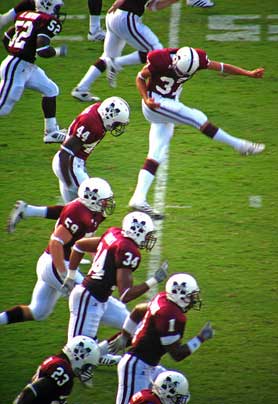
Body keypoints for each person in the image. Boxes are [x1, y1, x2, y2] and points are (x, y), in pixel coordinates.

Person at [128, 46, 266, 218]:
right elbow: (140, 77)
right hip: (155, 103)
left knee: (156, 153)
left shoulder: (197, 60)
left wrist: (248, 73)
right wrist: (146, 99)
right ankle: (239, 145)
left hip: (169, 101)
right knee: (197, 118)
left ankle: (138, 198)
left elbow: (221, 67)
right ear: (175, 60)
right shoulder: (161, 59)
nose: (179, 74)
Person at [0, 177, 115, 327]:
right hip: (56, 263)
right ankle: (92, 341)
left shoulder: (92, 212)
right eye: (104, 200)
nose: (107, 203)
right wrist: (63, 273)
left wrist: (98, 259)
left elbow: (86, 239)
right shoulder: (79, 212)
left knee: (38, 312)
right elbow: (56, 241)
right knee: (91, 300)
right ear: (92, 199)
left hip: (51, 263)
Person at [66, 211, 168, 342]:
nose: (148, 239)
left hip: (101, 298)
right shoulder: (128, 250)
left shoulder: (114, 233)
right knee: (79, 351)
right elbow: (125, 295)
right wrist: (155, 280)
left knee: (135, 327)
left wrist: (71, 276)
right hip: (88, 298)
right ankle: (110, 356)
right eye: (147, 235)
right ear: (137, 232)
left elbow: (80, 245)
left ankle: (116, 351)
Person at [111, 273, 214, 403]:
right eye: (191, 296)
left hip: (148, 365)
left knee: (175, 391)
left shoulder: (162, 298)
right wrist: (200, 338)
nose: (193, 300)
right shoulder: (172, 316)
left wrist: (124, 336)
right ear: (179, 294)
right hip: (137, 367)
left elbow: (137, 310)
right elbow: (177, 354)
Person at [71, 0, 178, 101]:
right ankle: (116, 63)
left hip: (116, 16)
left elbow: (152, 6)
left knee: (106, 57)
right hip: (126, 17)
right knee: (156, 51)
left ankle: (81, 89)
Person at [0, 0, 67, 144]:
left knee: (51, 89)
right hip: (17, 67)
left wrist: (17, 53)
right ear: (47, 5)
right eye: (56, 7)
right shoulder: (45, 20)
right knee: (2, 108)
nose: (58, 11)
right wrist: (58, 52)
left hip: (24, 65)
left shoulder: (25, 14)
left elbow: (6, 38)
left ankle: (51, 132)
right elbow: (42, 50)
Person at [52, 96, 130, 203]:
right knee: (94, 204)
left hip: (73, 163)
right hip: (70, 164)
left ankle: (29, 210)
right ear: (109, 116)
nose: (116, 127)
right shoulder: (91, 125)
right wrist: (69, 182)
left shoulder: (98, 109)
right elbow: (64, 153)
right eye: (117, 123)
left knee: (72, 212)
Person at [13, 335, 100, 403]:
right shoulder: (63, 371)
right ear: (79, 356)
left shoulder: (58, 362)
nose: (86, 370)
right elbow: (32, 391)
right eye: (87, 366)